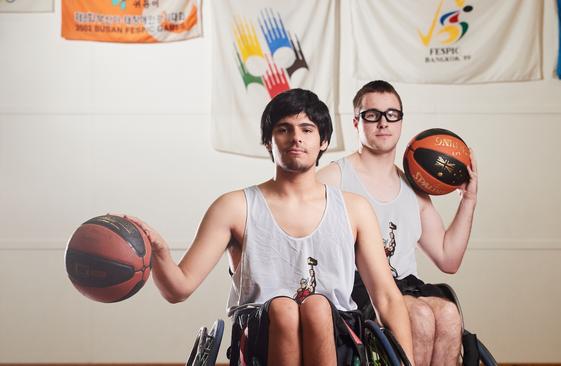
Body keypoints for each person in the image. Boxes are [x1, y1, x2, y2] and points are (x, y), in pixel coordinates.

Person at [126, 88, 414, 366]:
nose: (296, 138)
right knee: (284, 308)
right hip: (259, 338)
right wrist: (161, 253)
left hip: (337, 336)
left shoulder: (355, 209)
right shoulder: (234, 207)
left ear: (323, 141)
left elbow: (388, 299)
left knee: (316, 306)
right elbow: (179, 289)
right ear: (268, 141)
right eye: (284, 129)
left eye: (307, 129)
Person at [317, 80, 478, 366]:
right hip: (358, 291)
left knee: (449, 314)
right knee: (419, 315)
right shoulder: (332, 178)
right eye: (372, 114)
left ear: (401, 122)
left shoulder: (414, 188)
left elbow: (448, 258)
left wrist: (468, 200)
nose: (383, 122)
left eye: (392, 114)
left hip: (407, 287)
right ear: (357, 122)